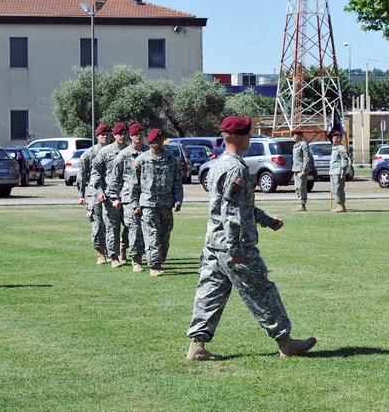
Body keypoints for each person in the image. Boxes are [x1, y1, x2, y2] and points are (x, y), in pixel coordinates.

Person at [185, 115, 316, 361]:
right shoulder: (236, 167)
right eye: (247, 133)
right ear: (235, 137)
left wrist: (266, 220)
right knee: (262, 290)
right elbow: (232, 212)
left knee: (210, 293)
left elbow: (236, 206)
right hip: (234, 246)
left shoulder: (218, 164)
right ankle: (286, 343)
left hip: (214, 244)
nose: (250, 137)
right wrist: (235, 250)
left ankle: (196, 346)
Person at [129, 128, 183, 277]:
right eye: (154, 141)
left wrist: (178, 200)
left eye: (160, 140)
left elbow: (177, 182)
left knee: (165, 234)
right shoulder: (141, 160)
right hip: (148, 204)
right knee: (152, 233)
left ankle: (160, 259)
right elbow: (134, 184)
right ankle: (154, 265)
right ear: (150, 142)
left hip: (166, 204)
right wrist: (135, 204)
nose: (157, 143)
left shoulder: (170, 160)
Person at [110, 123, 149, 272]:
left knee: (144, 229)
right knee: (133, 227)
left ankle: (125, 246)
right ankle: (136, 260)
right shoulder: (123, 155)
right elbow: (114, 178)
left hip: (146, 198)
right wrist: (115, 197)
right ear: (130, 136)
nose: (138, 136)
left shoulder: (149, 153)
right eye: (135, 134)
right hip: (128, 198)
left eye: (141, 133)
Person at [94, 122, 129, 267]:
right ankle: (113, 256)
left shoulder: (131, 151)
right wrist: (99, 191)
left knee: (130, 225)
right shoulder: (105, 152)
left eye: (124, 133)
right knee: (112, 227)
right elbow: (96, 173)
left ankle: (123, 250)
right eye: (119, 133)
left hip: (128, 196)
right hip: (109, 196)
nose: (122, 136)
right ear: (114, 135)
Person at [79, 124, 110, 264]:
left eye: (107, 134)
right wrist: (81, 194)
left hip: (111, 192)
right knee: (97, 224)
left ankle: (112, 251)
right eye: (102, 134)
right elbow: (82, 175)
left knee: (111, 224)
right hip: (93, 194)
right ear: (97, 136)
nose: (105, 136)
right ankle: (100, 252)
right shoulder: (89, 153)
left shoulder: (114, 151)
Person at [328, 131, 350, 212]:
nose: (332, 140)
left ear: (338, 139)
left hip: (338, 172)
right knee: (334, 189)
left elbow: (344, 161)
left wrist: (343, 173)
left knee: (338, 189)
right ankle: (339, 205)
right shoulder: (335, 148)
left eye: (334, 138)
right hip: (333, 172)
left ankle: (342, 206)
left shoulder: (341, 148)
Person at [291, 129, 312, 211]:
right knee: (297, 187)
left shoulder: (303, 145)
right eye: (293, 135)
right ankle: (300, 203)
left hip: (301, 169)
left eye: (296, 135)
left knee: (301, 187)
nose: (294, 137)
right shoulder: (295, 145)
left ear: (300, 136)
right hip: (295, 169)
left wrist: (304, 170)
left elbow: (306, 157)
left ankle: (303, 204)